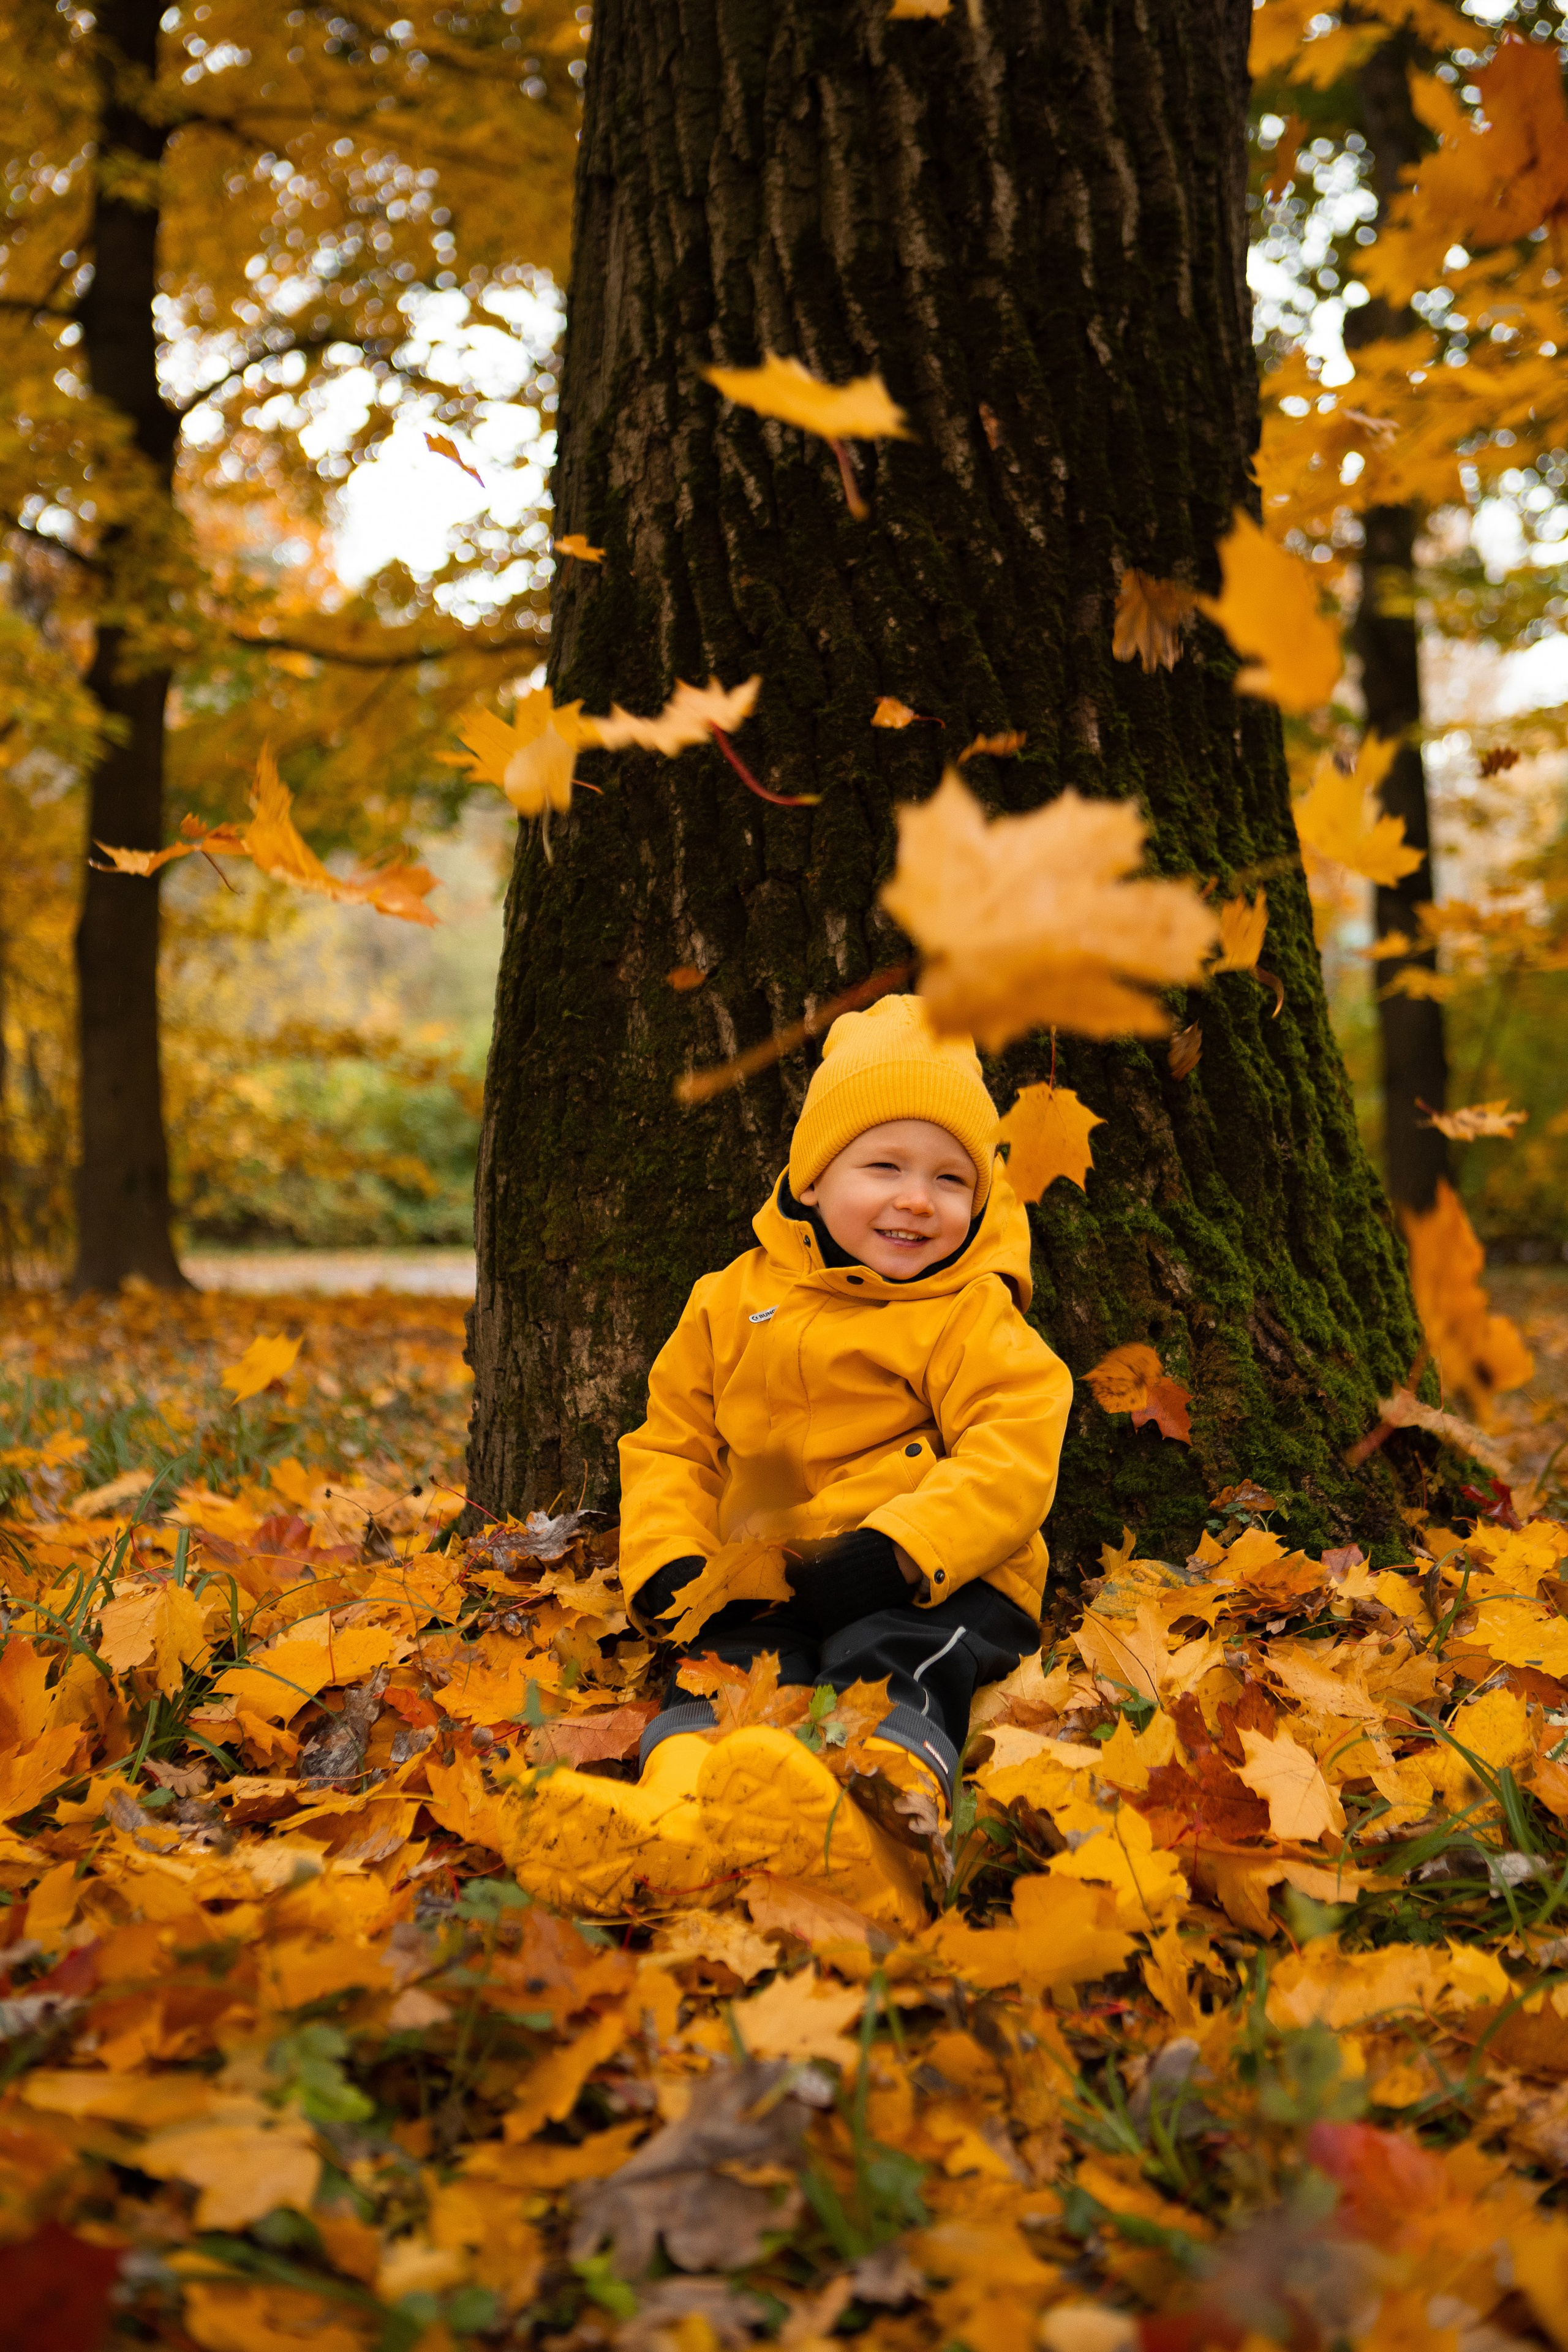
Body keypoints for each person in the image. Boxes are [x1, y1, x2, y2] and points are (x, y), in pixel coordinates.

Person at [508, 994, 1073, 1925]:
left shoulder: (972, 1312)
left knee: (889, 1665)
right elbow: (671, 1446)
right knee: (727, 1677)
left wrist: (896, 1549)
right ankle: (676, 1820)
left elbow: (1013, 1452)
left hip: (934, 1579)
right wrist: (669, 1565)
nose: (915, 1199)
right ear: (812, 1178)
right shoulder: (729, 1301)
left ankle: (883, 1839)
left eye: (949, 1180)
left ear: (980, 1199)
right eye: (883, 1165)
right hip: (763, 1577)